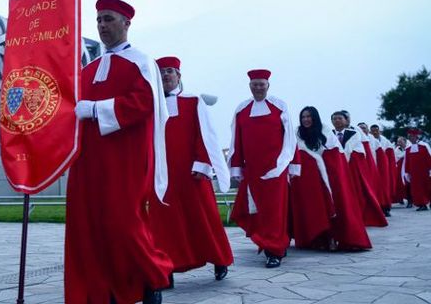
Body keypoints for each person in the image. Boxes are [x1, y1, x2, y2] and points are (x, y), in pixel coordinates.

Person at [65, 0, 172, 304]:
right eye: (99, 20)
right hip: (88, 161)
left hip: (125, 161)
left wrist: (97, 110)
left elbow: (143, 104)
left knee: (124, 224)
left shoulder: (142, 63)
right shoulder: (88, 69)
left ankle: (154, 278)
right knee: (90, 228)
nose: (102, 25)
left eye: (108, 19)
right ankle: (106, 288)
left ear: (126, 23)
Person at [149, 56, 233, 286]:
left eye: (169, 71)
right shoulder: (151, 104)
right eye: (161, 72)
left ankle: (220, 259)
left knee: (204, 218)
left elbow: (206, 135)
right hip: (163, 175)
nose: (166, 75)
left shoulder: (194, 101)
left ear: (178, 76)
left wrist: (203, 165)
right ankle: (166, 269)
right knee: (164, 224)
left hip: (192, 173)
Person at [228, 69, 300, 268]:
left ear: (268, 85)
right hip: (252, 170)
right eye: (254, 84)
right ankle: (270, 243)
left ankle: (274, 249)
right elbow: (236, 141)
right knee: (256, 211)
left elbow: (290, 137)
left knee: (275, 210)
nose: (258, 87)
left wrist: (291, 164)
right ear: (249, 86)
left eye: (261, 84)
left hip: (276, 169)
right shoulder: (242, 109)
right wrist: (236, 168)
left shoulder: (279, 106)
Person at [291, 107, 371, 251]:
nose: (306, 120)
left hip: (328, 174)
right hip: (310, 178)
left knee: (337, 204)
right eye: (303, 117)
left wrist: (323, 163)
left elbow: (334, 152)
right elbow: (298, 152)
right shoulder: (297, 132)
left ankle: (341, 238)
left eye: (309, 116)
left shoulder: (325, 130)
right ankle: (319, 238)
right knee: (314, 206)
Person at [330, 112, 387, 227]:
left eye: (340, 118)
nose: (337, 121)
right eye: (334, 119)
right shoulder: (329, 134)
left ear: (346, 121)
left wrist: (342, 160)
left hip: (350, 169)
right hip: (334, 170)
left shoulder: (354, 134)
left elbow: (355, 151)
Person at [359, 122, 392, 217]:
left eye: (364, 128)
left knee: (380, 189)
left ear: (367, 130)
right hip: (363, 169)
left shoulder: (373, 140)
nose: (362, 130)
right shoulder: (355, 138)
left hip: (375, 167)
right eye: (360, 128)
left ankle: (384, 208)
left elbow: (381, 156)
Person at [403, 128, 431, 211]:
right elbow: (407, 161)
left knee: (428, 187)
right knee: (417, 189)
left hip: (424, 172)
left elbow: (429, 157)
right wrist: (407, 172)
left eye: (412, 136)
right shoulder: (408, 149)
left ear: (416, 137)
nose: (410, 138)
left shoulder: (424, 146)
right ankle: (422, 204)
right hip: (414, 173)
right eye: (409, 137)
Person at [370, 124, 398, 210]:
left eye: (376, 130)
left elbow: (391, 157)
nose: (375, 132)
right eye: (373, 130)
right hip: (373, 167)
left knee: (385, 187)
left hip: (384, 168)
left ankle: (386, 207)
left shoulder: (386, 142)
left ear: (380, 131)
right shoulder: (369, 140)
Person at [394, 136, 410, 206]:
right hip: (400, 169)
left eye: (400, 141)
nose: (399, 143)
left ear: (405, 141)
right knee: (401, 184)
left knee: (409, 184)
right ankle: (401, 198)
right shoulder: (397, 150)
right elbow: (397, 157)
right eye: (398, 142)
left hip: (408, 167)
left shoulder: (409, 147)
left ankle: (410, 200)